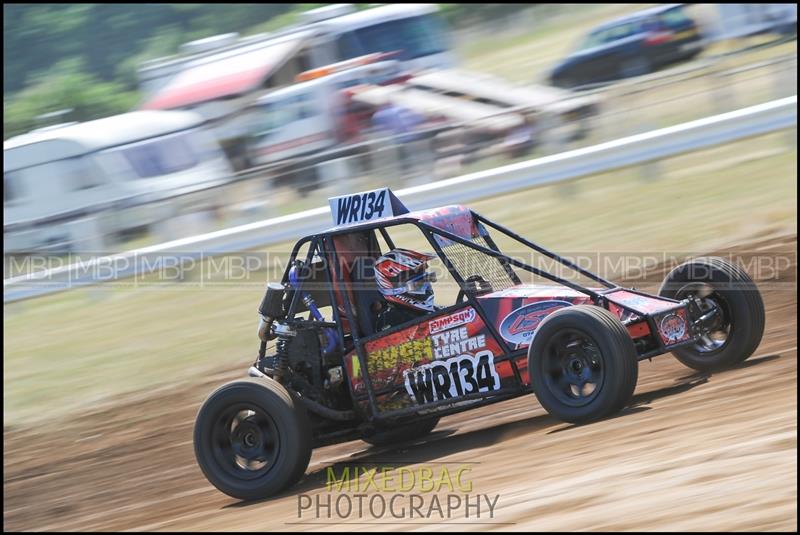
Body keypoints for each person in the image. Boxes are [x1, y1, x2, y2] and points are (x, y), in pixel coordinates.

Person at [373, 248, 439, 331]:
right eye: (419, 285)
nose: (426, 288)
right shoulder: (394, 320)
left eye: (426, 281)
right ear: (397, 290)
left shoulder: (426, 312)